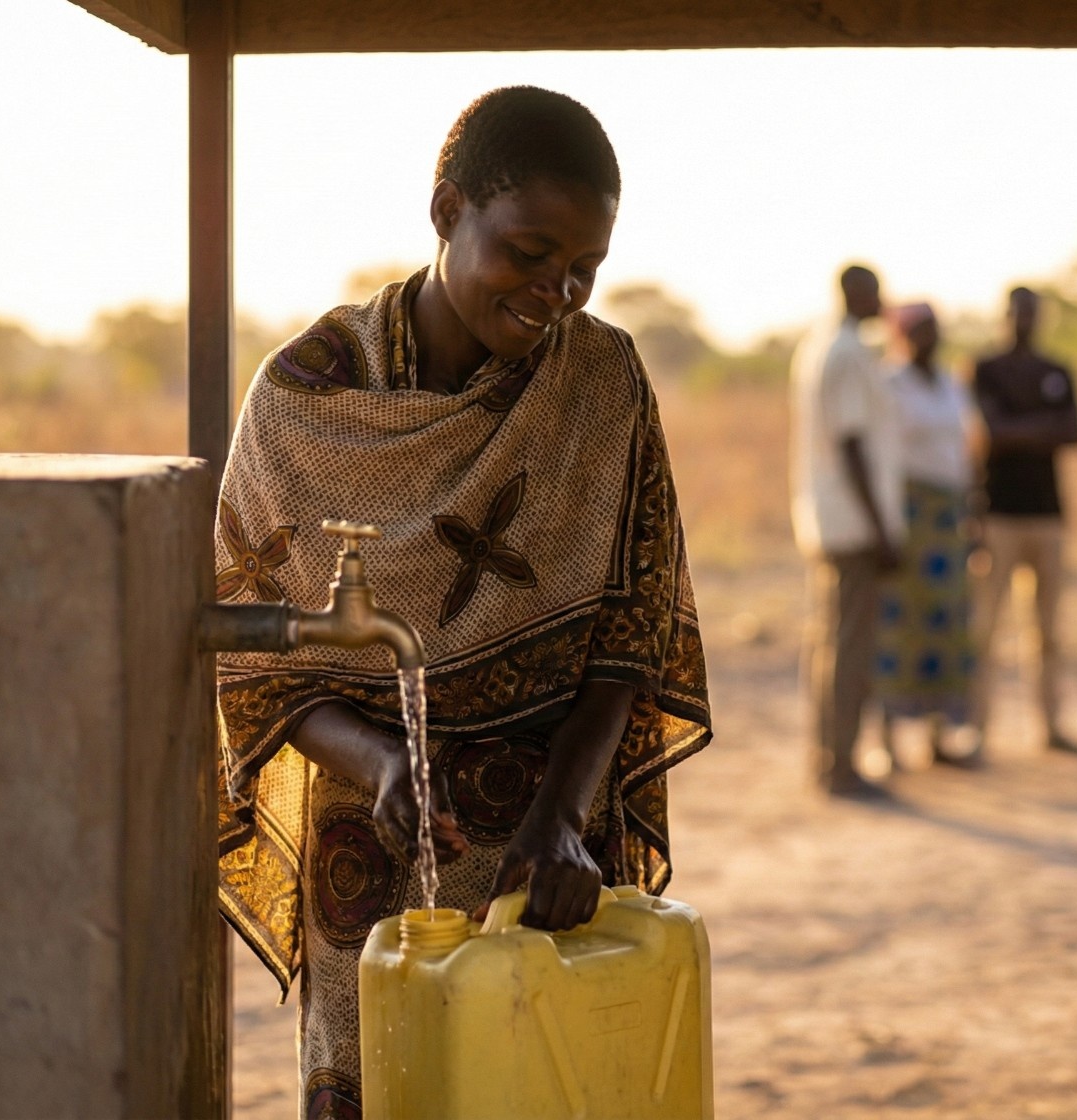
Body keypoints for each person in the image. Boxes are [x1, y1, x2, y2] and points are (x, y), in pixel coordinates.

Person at [212, 87, 711, 1117]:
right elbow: (260, 663)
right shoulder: (304, 398)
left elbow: (630, 631)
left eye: (584, 267)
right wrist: (385, 762)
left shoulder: (603, 379)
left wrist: (560, 822)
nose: (557, 291)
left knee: (560, 1080)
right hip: (377, 841)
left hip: (554, 833)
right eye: (529, 252)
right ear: (447, 213)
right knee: (387, 1084)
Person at [790, 264, 904, 797]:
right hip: (852, 522)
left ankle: (828, 757)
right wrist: (882, 528)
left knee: (831, 643)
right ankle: (842, 765)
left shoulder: (819, 347)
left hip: (826, 517)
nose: (882, 300)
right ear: (854, 293)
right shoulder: (850, 352)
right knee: (850, 646)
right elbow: (854, 444)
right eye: (875, 291)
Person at [969, 286, 1077, 755]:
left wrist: (1013, 430)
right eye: (1017, 313)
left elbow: (1076, 432)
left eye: (1031, 313)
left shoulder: (1057, 370)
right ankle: (977, 730)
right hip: (997, 514)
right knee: (984, 629)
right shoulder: (983, 369)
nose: (1024, 321)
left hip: (1048, 515)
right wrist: (1043, 427)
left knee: (1049, 632)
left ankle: (1050, 728)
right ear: (1004, 316)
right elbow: (986, 435)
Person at [875, 302, 983, 766]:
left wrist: (974, 510)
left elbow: (967, 448)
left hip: (949, 516)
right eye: (919, 330)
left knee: (948, 623)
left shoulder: (951, 383)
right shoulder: (888, 382)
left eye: (934, 329)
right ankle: (887, 740)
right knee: (897, 625)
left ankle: (939, 736)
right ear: (901, 334)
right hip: (908, 512)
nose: (929, 338)